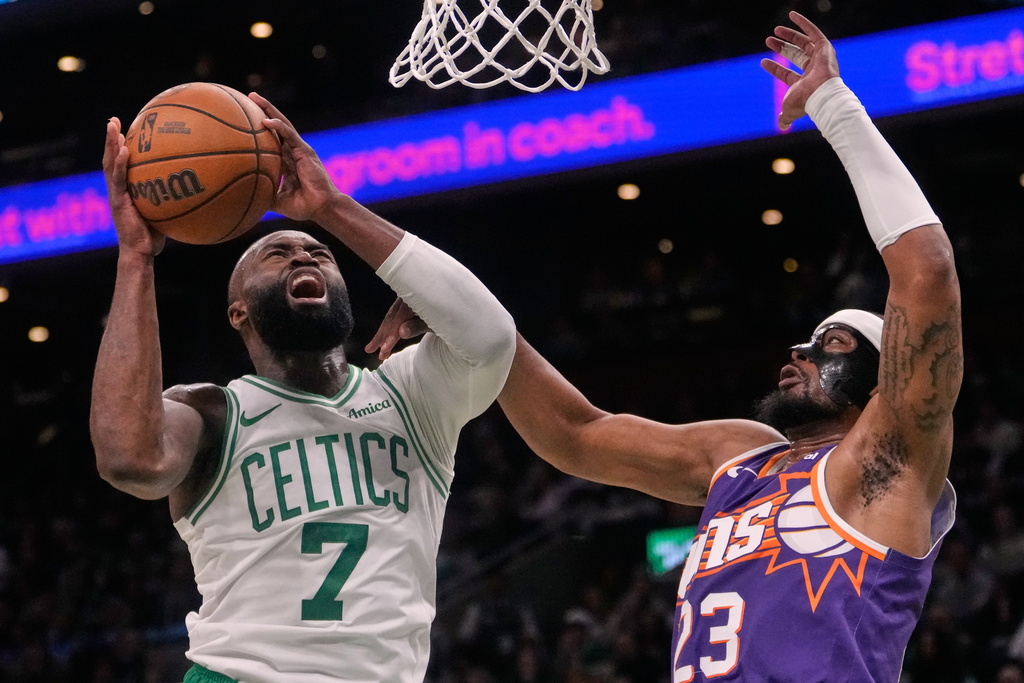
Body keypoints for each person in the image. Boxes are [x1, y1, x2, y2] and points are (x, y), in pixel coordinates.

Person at [367, 12, 961, 681]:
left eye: (831, 341)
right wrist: (460, 306)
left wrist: (834, 106)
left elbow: (927, 269)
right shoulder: (739, 456)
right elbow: (577, 433)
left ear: (885, 376)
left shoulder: (893, 453)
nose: (799, 349)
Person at [89, 93, 516, 683]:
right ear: (237, 312)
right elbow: (129, 458)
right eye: (277, 254)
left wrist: (330, 208)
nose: (301, 254)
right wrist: (135, 258)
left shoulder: (410, 396)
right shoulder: (214, 412)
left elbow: (492, 337)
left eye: (317, 252)